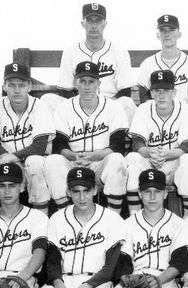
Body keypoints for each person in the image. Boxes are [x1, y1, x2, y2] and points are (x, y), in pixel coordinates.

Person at [44, 61, 128, 214]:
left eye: (91, 82)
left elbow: (118, 144)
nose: (87, 86)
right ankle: (66, 215)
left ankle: (113, 216)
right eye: (82, 81)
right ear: (76, 83)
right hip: (73, 162)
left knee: (118, 160)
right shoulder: (64, 108)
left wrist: (96, 156)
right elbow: (59, 145)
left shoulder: (113, 107)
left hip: (100, 163)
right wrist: (73, 156)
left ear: (99, 83)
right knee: (52, 161)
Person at [0, 63, 54, 216]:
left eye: (22, 85)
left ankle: (42, 222)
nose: (17, 90)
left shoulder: (40, 107)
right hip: (5, 161)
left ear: (30, 86)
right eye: (12, 85)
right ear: (4, 86)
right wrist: (10, 160)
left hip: (32, 162)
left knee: (34, 162)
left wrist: (12, 158)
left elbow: (39, 147)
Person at [41, 3, 135, 122]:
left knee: (127, 103)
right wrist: (81, 107)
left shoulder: (119, 52)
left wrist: (106, 108)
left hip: (109, 106)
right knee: (47, 100)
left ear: (105, 24)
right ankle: (58, 139)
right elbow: (66, 90)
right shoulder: (71, 51)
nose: (94, 25)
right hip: (78, 105)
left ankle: (118, 139)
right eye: (90, 21)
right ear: (83, 24)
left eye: (98, 21)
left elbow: (125, 91)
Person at [125, 70, 188, 217]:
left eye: (166, 90)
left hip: (173, 164)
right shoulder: (143, 109)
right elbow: (137, 143)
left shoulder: (185, 109)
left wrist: (167, 155)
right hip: (149, 161)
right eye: (157, 91)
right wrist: (150, 153)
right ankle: (134, 215)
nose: (161, 95)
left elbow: (187, 146)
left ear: (174, 92)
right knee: (132, 158)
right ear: (151, 93)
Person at [137, 14, 188, 108]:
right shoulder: (148, 64)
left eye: (171, 30)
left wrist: (180, 113)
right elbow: (143, 96)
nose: (167, 34)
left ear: (179, 34)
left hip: (184, 113)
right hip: (155, 114)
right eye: (162, 30)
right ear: (157, 35)